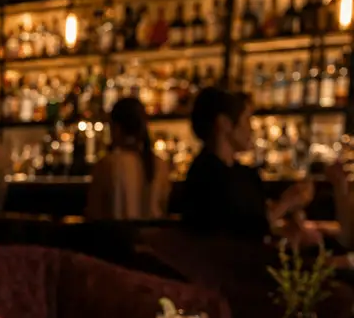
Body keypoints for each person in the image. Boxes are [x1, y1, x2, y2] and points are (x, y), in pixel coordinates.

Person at [177, 87, 317, 243]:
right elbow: (241, 231)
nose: (251, 129)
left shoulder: (241, 173)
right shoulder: (207, 175)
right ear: (224, 123)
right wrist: (286, 203)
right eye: (247, 120)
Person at [85, 97, 170, 221]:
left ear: (116, 128)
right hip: (153, 239)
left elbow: (94, 213)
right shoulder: (160, 164)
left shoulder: (107, 164)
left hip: (116, 238)